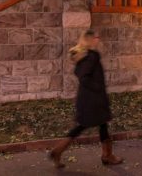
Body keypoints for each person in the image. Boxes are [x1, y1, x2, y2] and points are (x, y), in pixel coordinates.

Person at [50, 29, 123, 168]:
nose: (98, 39)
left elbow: (80, 73)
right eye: (96, 37)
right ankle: (107, 156)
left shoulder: (82, 55)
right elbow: (84, 77)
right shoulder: (92, 56)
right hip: (93, 100)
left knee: (96, 126)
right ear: (89, 40)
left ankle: (58, 151)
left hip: (87, 98)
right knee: (93, 125)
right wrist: (98, 89)